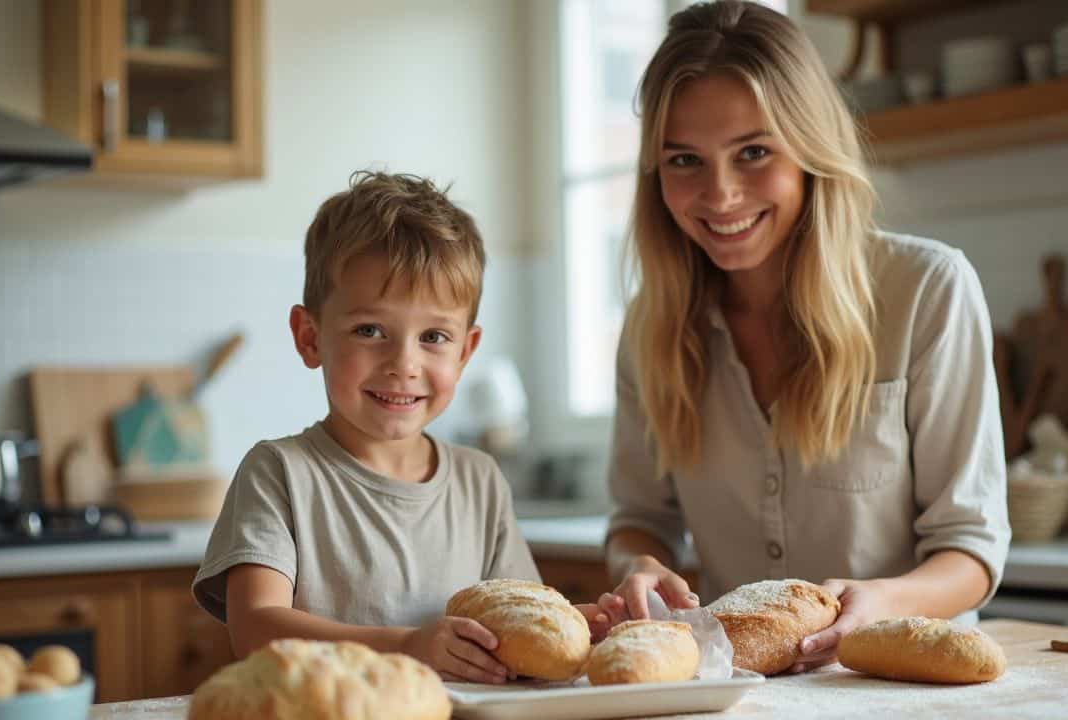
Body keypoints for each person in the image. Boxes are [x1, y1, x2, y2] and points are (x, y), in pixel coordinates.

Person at [597, 0, 1010, 673]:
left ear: (811, 148)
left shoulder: (927, 289)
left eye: (754, 152)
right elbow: (640, 516)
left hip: (903, 686)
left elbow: (971, 547)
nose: (721, 194)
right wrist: (638, 564)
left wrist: (884, 601)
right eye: (684, 161)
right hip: (744, 692)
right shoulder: (652, 326)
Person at [193, 171, 565, 684]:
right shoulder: (279, 473)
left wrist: (598, 620)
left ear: (465, 352)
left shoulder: (481, 482)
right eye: (370, 330)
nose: (403, 363)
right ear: (309, 337)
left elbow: (520, 623)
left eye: (433, 336)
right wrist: (408, 647)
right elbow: (256, 629)